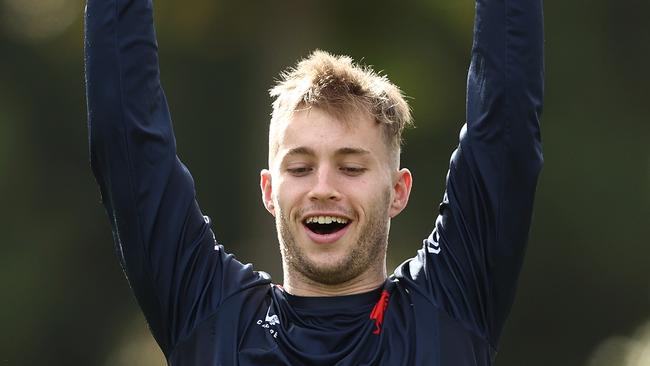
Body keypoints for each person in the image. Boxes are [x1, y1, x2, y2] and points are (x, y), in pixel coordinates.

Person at [84, 0, 544, 364]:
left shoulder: (448, 309)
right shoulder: (210, 318)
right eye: (300, 168)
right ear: (268, 190)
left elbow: (506, 128)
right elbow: (125, 137)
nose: (323, 187)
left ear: (398, 191)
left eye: (352, 167)